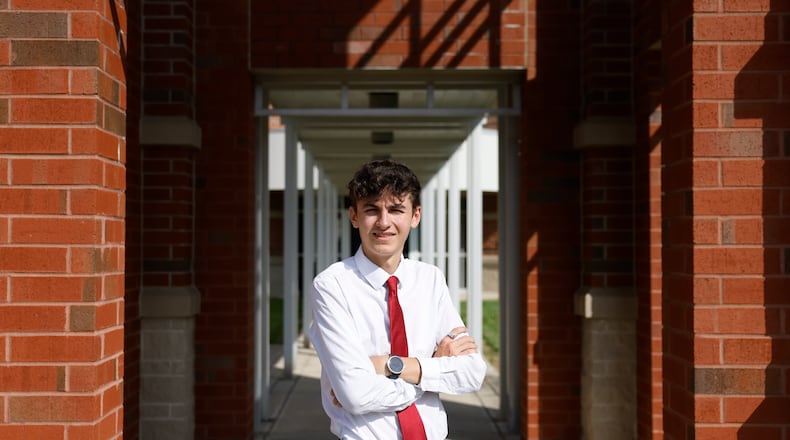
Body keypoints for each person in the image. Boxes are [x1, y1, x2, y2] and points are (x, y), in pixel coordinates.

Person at [308, 159, 487, 439]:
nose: (384, 222)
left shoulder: (430, 279)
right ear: (354, 216)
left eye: (396, 209)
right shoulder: (332, 286)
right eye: (371, 209)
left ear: (415, 216)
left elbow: (472, 372)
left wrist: (388, 365)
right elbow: (355, 395)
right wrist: (430, 369)